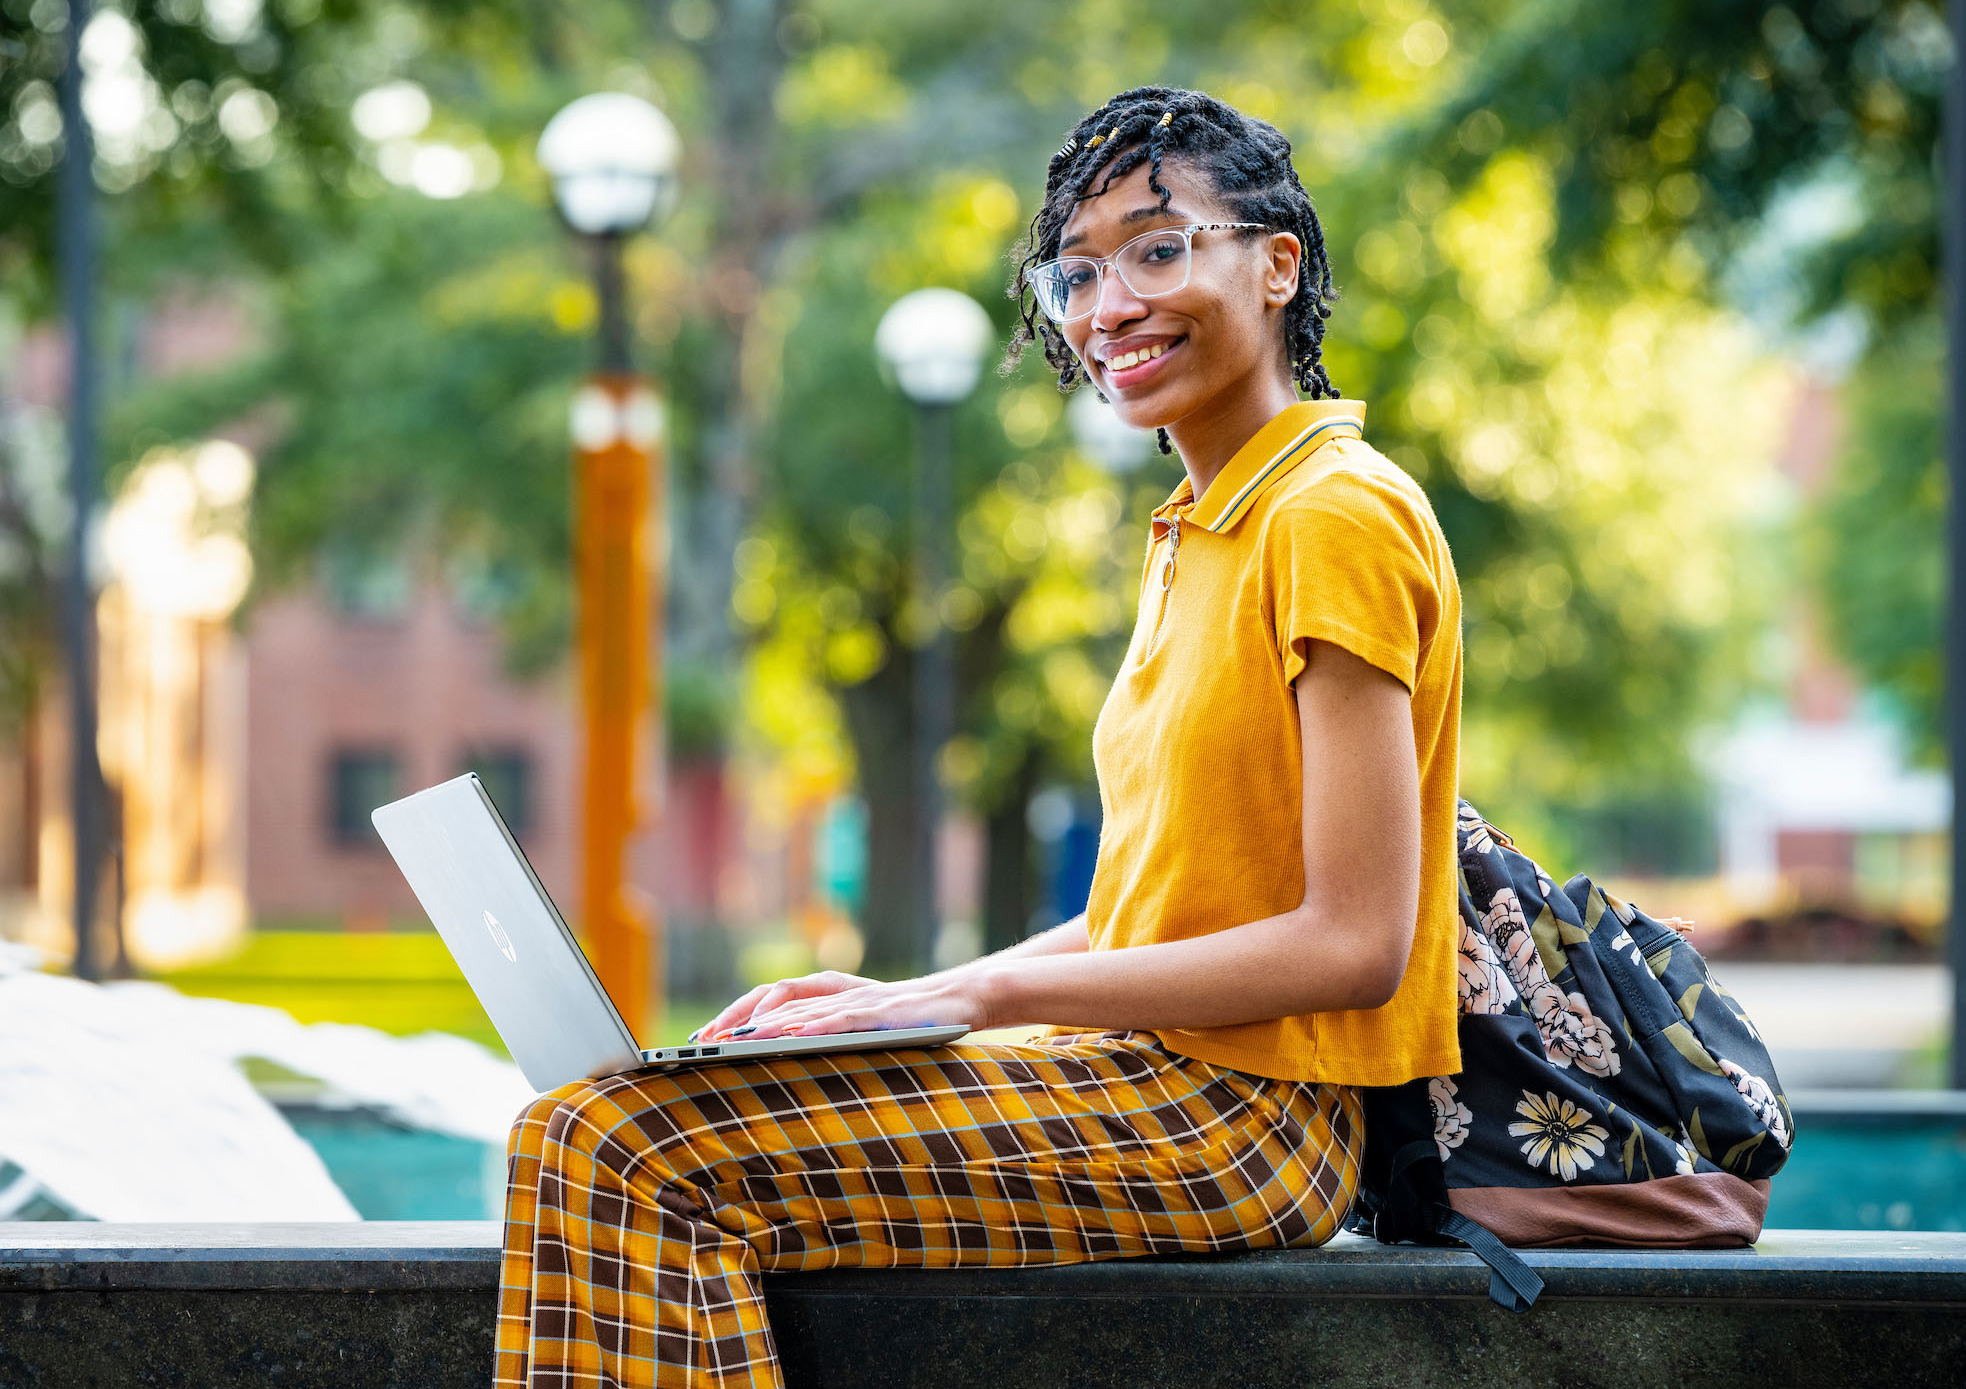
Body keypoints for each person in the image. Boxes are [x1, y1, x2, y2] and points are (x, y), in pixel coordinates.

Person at [493, 84, 1466, 1388]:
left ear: (1278, 264)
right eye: (1075, 273)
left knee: (618, 1143)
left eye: (1158, 249)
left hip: (1237, 1122)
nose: (1108, 306)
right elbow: (1160, 907)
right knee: (594, 1128)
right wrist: (902, 1004)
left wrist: (982, 996)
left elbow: (1353, 943)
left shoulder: (1330, 514)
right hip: (1142, 1082)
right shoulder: (1206, 527)